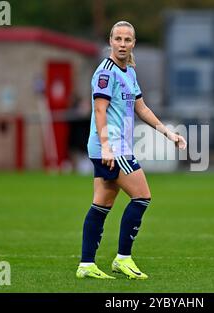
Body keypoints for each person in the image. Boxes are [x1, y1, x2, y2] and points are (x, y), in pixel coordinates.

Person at [76, 21, 187, 280]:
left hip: (114, 146)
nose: (122, 44)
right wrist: (106, 146)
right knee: (142, 196)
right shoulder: (106, 72)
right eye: (118, 39)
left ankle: (86, 264)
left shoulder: (129, 72)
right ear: (111, 41)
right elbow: (100, 110)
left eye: (127, 40)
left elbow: (142, 108)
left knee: (101, 204)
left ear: (133, 43)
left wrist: (167, 132)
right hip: (112, 147)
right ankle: (122, 258)